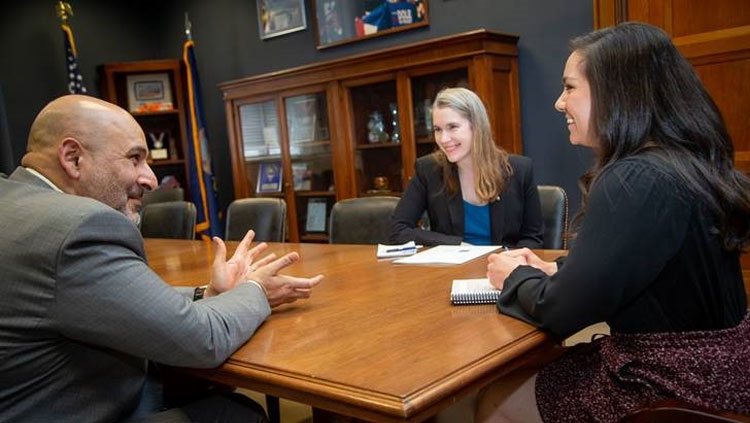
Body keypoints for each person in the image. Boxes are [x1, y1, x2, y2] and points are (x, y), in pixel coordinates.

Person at [476, 22, 750, 423]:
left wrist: (514, 276)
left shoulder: (634, 178)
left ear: (615, 92)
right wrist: (557, 269)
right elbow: (643, 261)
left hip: (671, 383)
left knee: (494, 400)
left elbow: (560, 313)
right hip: (720, 371)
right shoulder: (681, 163)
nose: (558, 103)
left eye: (569, 87)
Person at [0, 95, 324, 423]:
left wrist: (204, 293)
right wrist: (254, 289)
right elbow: (203, 340)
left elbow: (99, 297)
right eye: (135, 159)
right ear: (73, 158)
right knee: (238, 414)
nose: (152, 180)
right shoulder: (76, 229)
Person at [389, 87, 543, 247]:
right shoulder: (428, 170)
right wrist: (457, 246)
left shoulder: (519, 170)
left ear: (476, 126)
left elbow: (533, 238)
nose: (443, 138)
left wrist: (511, 261)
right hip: (453, 269)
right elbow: (398, 230)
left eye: (452, 127)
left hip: (506, 267)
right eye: (437, 129)